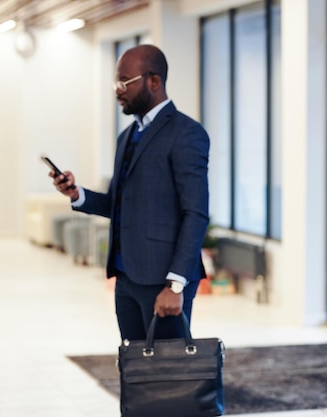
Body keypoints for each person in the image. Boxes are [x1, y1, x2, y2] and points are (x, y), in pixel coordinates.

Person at [51, 44, 210, 341]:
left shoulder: (186, 133)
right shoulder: (127, 136)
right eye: (116, 82)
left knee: (165, 377)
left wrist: (175, 285)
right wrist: (77, 194)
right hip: (127, 279)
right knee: (135, 371)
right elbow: (119, 204)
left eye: (124, 82)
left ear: (154, 81)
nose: (117, 90)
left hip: (163, 280)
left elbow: (196, 213)